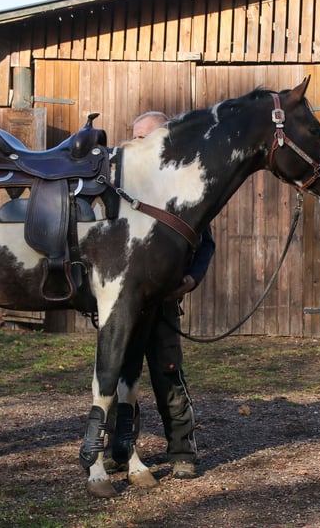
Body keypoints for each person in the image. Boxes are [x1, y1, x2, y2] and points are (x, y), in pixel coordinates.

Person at [105, 111, 215, 480]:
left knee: (168, 373)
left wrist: (192, 279)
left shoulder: (185, 189)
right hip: (123, 304)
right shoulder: (119, 185)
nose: (134, 145)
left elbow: (206, 243)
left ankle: (182, 452)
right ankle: (118, 451)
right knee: (119, 375)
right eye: (133, 137)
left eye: (144, 138)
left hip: (164, 301)